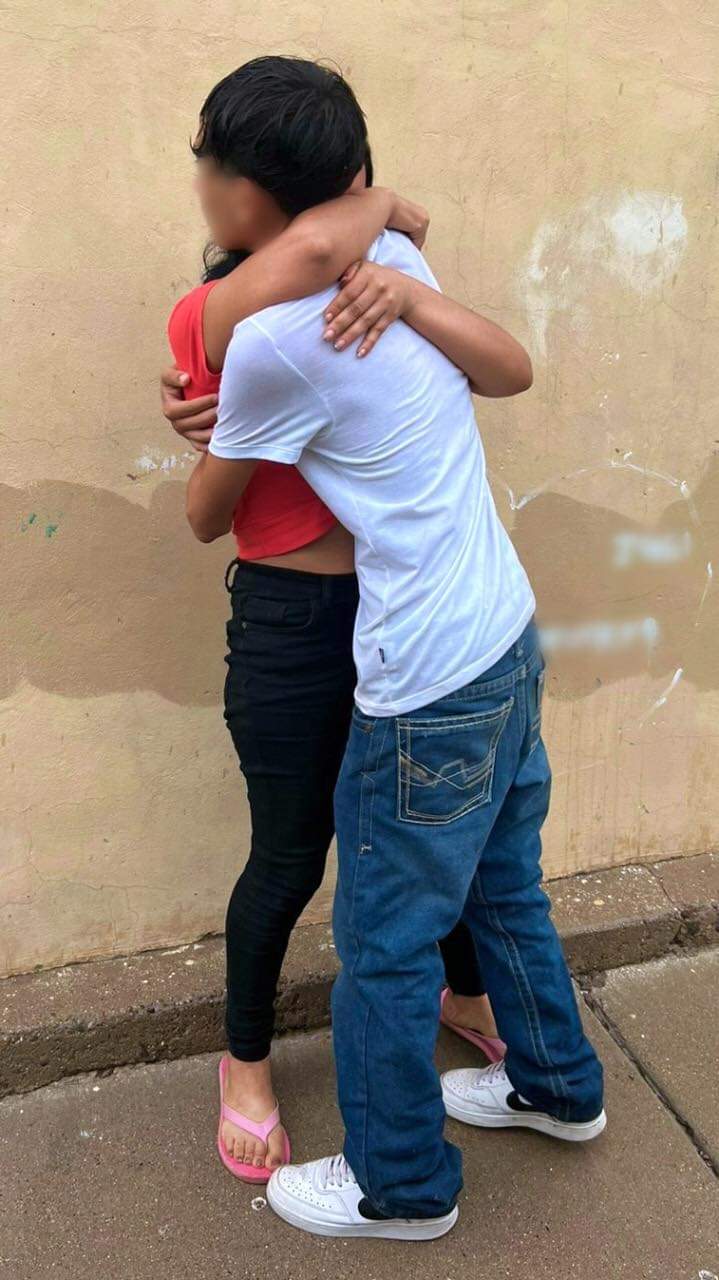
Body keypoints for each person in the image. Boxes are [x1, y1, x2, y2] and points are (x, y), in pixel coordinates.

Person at [184, 57, 607, 1242]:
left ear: (247, 194)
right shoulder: (394, 264)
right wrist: (396, 249)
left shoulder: (268, 339)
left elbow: (207, 512)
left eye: (207, 163)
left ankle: (401, 1186)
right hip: (503, 633)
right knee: (502, 884)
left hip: (423, 675)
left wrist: (218, 427)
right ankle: (557, 1086)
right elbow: (507, 366)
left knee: (381, 940)